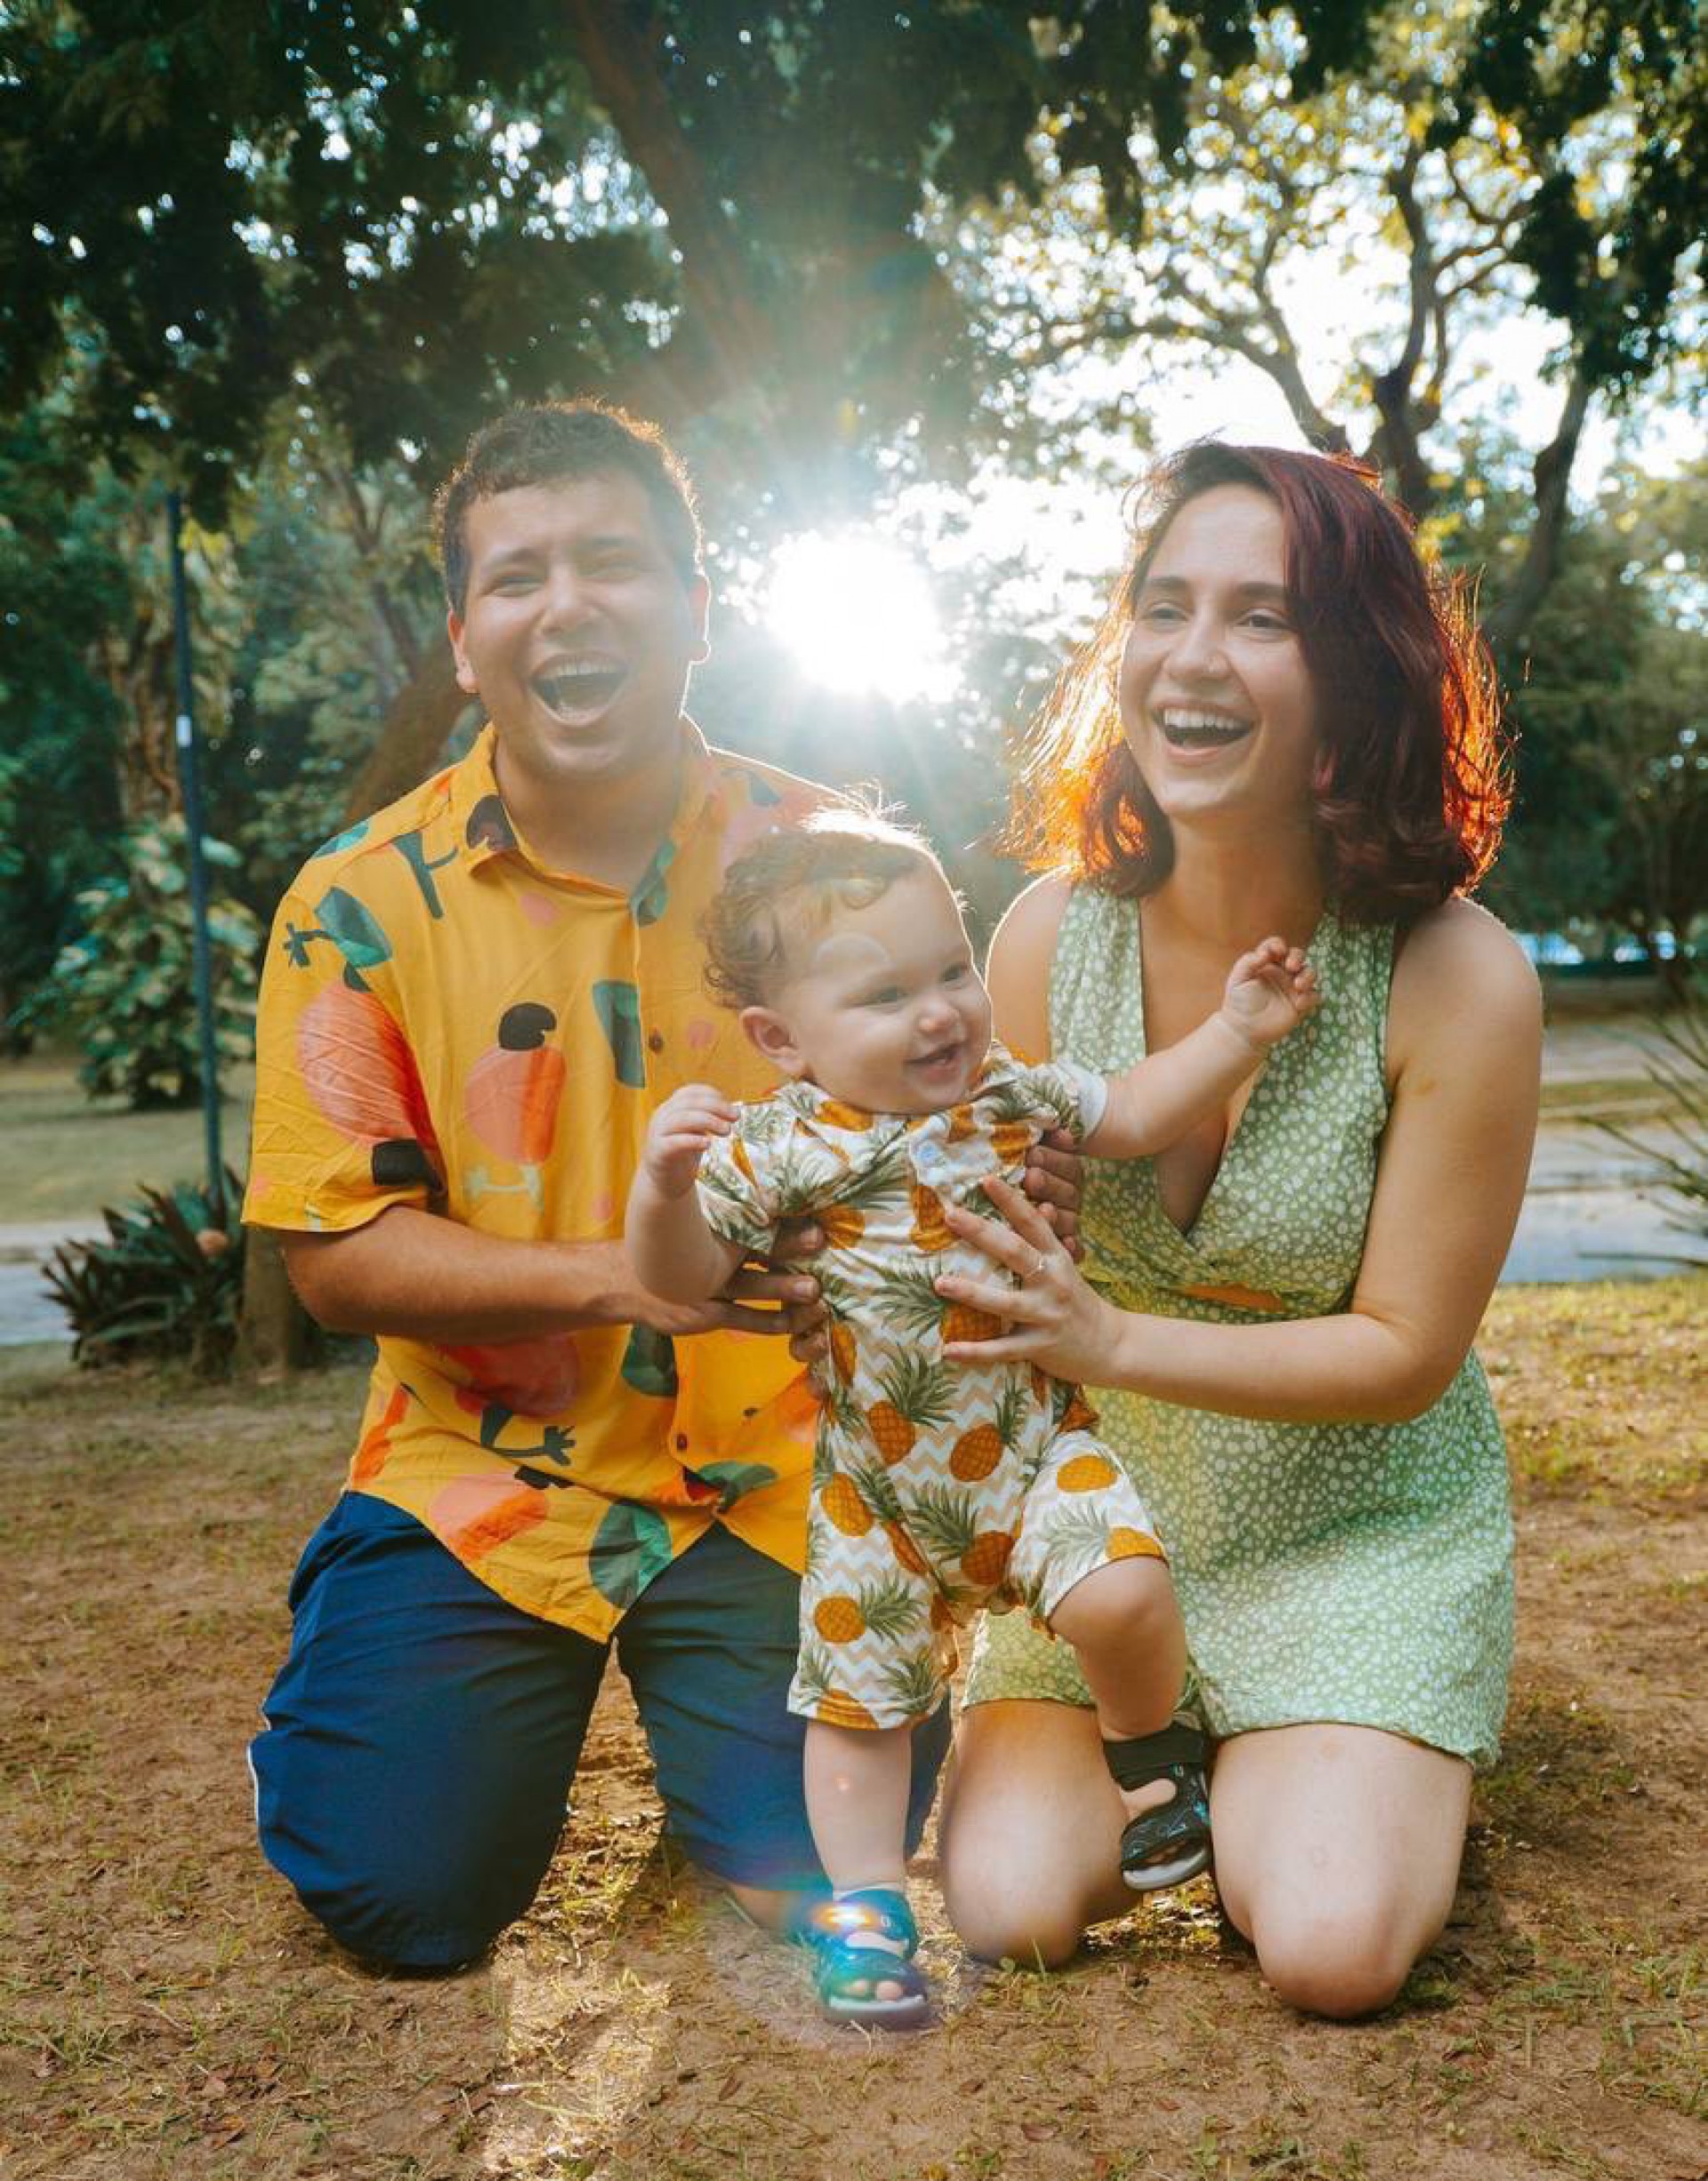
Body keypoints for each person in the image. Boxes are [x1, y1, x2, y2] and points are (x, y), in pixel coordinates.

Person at [241, 399, 971, 1969]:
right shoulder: (353, 904)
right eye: (515, 578)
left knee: (826, 1860)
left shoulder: (832, 859)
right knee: (395, 1895)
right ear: (463, 640)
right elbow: (338, 1258)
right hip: (483, 1474)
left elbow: (940, 1128)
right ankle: (385, 1708)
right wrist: (614, 1277)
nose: (565, 606)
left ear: (698, 612)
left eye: (613, 563)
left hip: (782, 1469)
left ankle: (722, 1762)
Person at [926, 440, 1542, 2021]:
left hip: (1357, 1523)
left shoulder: (1451, 974)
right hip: (1110, 1540)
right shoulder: (1047, 937)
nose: (1192, 660)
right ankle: (1194, 1747)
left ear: (1360, 670)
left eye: (1261, 618)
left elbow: (1408, 1353)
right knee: (1007, 1905)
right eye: (1164, 606)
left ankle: (1324, 1747)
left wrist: (1113, 1334)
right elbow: (996, 1262)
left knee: (1330, 1946)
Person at [624, 814, 1318, 2024]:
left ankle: (1155, 1767)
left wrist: (1236, 1030)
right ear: (781, 1039)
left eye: (951, 969)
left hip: (1036, 1446)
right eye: (886, 994)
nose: (940, 1011)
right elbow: (680, 1280)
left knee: (1124, 1593)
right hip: (880, 1498)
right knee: (859, 1708)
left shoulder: (1009, 1093)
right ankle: (869, 1907)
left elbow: (1137, 1110)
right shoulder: (786, 1143)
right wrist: (662, 1186)